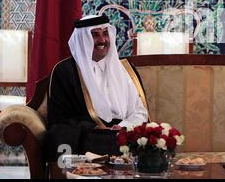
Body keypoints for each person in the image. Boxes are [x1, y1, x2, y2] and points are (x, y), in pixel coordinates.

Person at [44, 14, 149, 160]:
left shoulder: (125, 68)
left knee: (154, 137)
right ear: (82, 39)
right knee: (61, 134)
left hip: (124, 131)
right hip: (90, 134)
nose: (102, 40)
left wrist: (124, 126)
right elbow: (60, 117)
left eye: (105, 34)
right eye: (95, 35)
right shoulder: (65, 71)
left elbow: (140, 110)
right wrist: (95, 127)